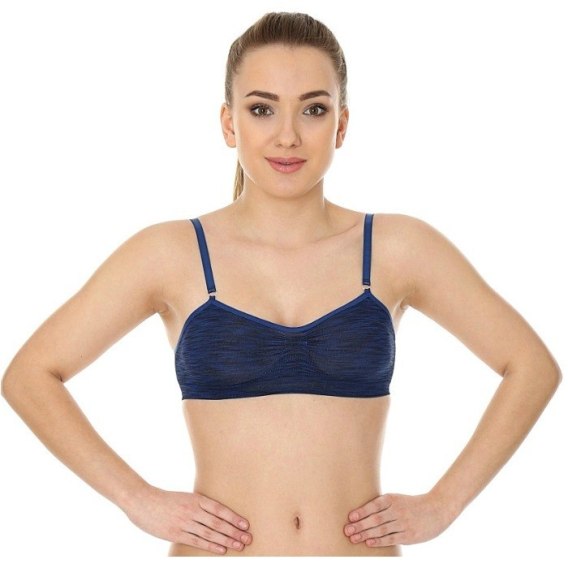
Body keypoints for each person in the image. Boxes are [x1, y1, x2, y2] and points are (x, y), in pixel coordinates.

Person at [1, 11, 562, 557]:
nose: (288, 136)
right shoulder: (170, 253)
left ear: (341, 124)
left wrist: (444, 505)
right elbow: (30, 376)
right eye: (262, 109)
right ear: (229, 124)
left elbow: (531, 366)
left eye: (313, 109)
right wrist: (136, 499)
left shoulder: (397, 247)